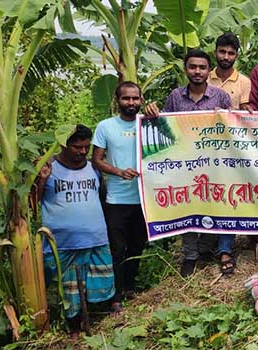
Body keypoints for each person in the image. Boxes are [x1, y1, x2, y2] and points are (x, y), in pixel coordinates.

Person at [144, 49, 233, 277]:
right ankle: (190, 256)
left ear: (208, 70)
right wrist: (151, 114)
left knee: (217, 205)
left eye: (202, 67)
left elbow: (233, 129)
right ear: (186, 69)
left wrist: (223, 117)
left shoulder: (220, 97)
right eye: (193, 67)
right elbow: (165, 126)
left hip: (214, 165)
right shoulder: (175, 96)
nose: (197, 71)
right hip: (184, 165)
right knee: (187, 207)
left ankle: (209, 248)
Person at [37, 124, 116, 336]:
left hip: (96, 238)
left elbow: (102, 197)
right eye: (77, 147)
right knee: (67, 289)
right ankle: (72, 327)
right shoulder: (48, 167)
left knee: (101, 280)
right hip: (62, 243)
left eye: (86, 147)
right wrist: (42, 179)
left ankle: (101, 316)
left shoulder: (94, 167)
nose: (82, 151)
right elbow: (31, 201)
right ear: (64, 145)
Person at [93, 82, 148, 304]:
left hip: (145, 199)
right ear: (117, 100)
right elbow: (96, 160)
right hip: (116, 199)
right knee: (117, 249)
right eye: (126, 98)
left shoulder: (149, 124)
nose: (131, 103)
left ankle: (129, 287)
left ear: (141, 100)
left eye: (135, 98)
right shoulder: (105, 127)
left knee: (137, 246)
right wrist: (118, 171)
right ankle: (115, 296)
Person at [208, 33, 251, 110]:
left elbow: (243, 108)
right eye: (222, 52)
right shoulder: (205, 79)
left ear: (236, 56)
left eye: (231, 53)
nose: (226, 57)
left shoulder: (244, 82)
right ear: (215, 53)